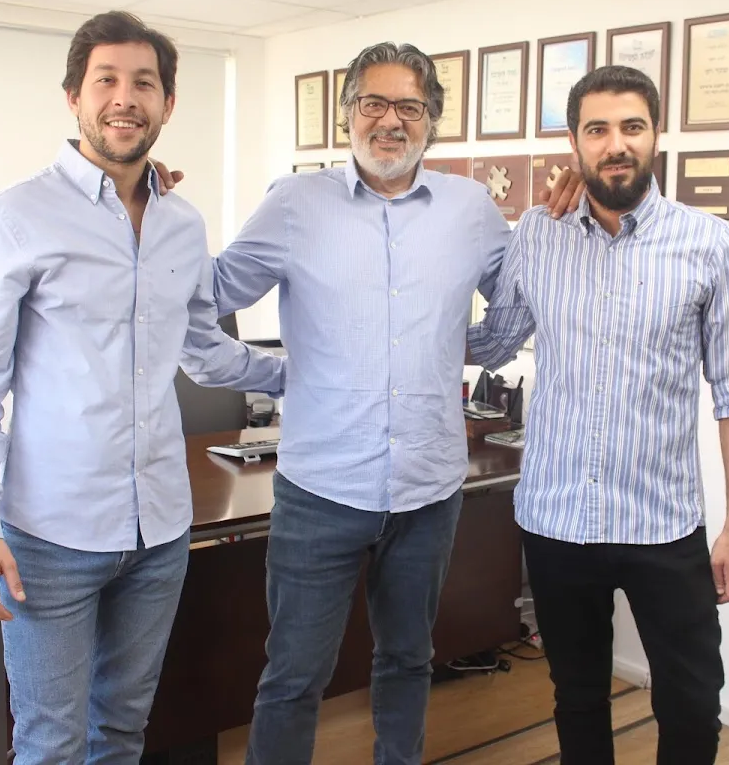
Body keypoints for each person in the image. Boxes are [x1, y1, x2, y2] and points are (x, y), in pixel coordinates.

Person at [201, 42, 578, 764]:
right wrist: (272, 374)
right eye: (373, 103)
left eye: (409, 106)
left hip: (427, 492)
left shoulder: (470, 208)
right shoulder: (294, 204)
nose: (390, 121)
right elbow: (209, 296)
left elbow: (508, 323)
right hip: (320, 489)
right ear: (348, 114)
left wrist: (461, 337)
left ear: (431, 119)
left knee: (408, 660)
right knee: (294, 677)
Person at [0, 10, 285, 764]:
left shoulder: (181, 223)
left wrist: (304, 375)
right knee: (52, 743)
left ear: (167, 103)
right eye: (107, 80)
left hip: (159, 532)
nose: (125, 98)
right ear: (74, 96)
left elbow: (205, 351)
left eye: (144, 83)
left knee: (123, 732)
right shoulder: (15, 217)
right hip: (50, 535)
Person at [466, 64, 729, 765]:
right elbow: (494, 342)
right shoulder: (538, 233)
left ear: (656, 135)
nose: (616, 144)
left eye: (632, 126)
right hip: (558, 517)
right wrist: (408, 299)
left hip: (663, 521)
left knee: (692, 702)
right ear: (574, 143)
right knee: (576, 698)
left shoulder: (709, 244)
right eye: (597, 129)